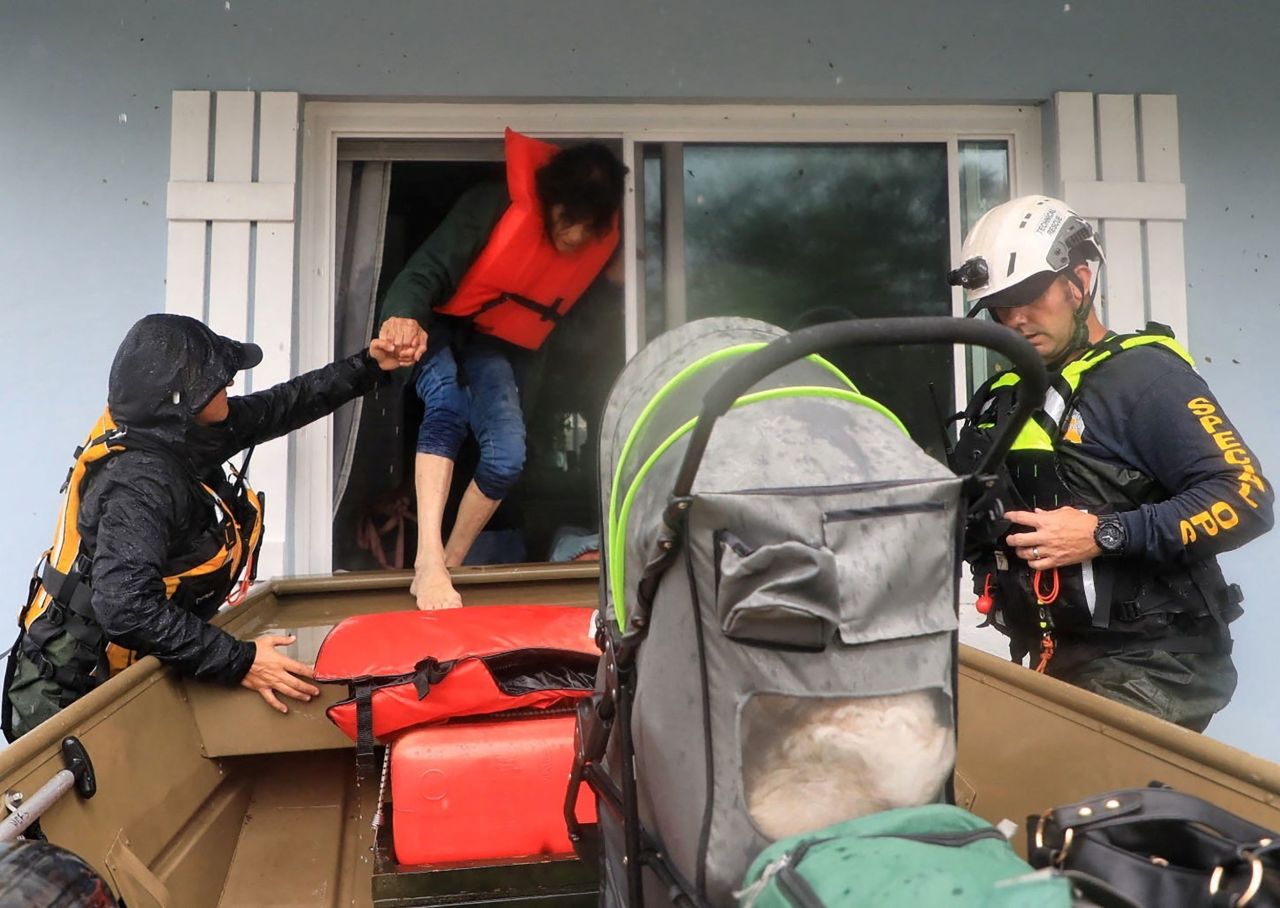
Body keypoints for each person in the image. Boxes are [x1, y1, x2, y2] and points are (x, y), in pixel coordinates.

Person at [3, 313, 416, 738]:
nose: (231, 386)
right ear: (184, 398)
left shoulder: (179, 427)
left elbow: (282, 406)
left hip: (137, 657)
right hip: (74, 691)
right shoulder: (139, 483)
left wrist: (368, 365)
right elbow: (124, 607)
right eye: (218, 380)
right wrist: (243, 661)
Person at [949, 194, 1273, 732]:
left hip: (1156, 664)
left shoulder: (1146, 379)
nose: (1016, 319)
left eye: (1030, 295)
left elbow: (1246, 496)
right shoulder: (1002, 398)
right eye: (1002, 306)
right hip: (1053, 661)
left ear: (1080, 281)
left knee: (1056, 782)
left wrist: (1105, 534)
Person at [377, 127, 626, 610]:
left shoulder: (593, 249)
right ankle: (427, 559)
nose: (574, 235)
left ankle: (449, 563)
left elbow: (578, 335)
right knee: (446, 405)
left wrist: (616, 287)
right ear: (551, 200)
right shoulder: (490, 206)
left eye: (586, 226)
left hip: (494, 342)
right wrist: (402, 314)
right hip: (439, 325)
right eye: (568, 218)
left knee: (508, 456)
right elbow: (424, 271)